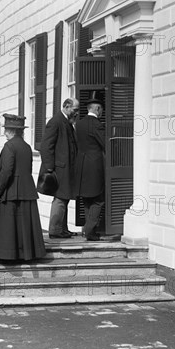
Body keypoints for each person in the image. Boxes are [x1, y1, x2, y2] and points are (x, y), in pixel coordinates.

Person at [0, 114, 46, 262]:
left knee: (8, 225)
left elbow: (7, 171)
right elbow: (28, 168)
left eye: (6, 129)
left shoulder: (9, 146)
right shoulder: (27, 147)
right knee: (24, 224)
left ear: (12, 131)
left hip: (11, 191)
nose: (5, 132)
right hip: (27, 190)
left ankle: (6, 255)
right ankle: (26, 254)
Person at [38, 98, 80, 239]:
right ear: (66, 107)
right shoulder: (56, 122)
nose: (77, 113)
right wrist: (50, 168)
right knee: (60, 199)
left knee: (65, 198)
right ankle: (55, 230)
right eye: (75, 110)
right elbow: (45, 146)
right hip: (59, 169)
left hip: (65, 168)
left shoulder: (66, 122)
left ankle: (63, 228)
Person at [74, 94, 106, 241]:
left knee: (87, 199)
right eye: (101, 110)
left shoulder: (78, 124)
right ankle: (89, 229)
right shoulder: (97, 125)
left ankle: (90, 232)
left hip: (81, 166)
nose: (101, 113)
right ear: (97, 109)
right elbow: (105, 144)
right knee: (98, 199)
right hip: (95, 166)